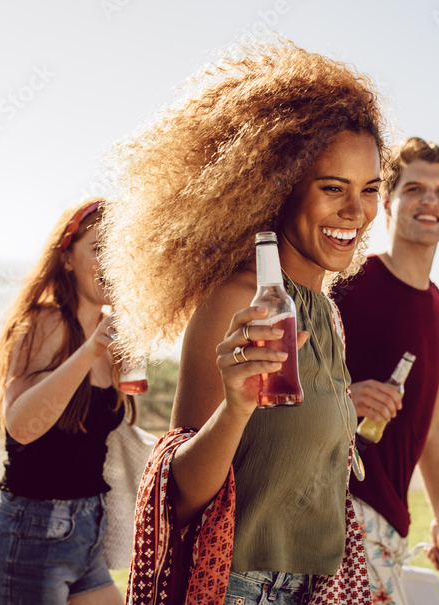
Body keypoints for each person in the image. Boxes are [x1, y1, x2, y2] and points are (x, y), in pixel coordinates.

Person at [99, 41, 387, 604]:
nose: (356, 212)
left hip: (317, 588)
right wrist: (235, 406)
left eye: (371, 190)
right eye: (334, 188)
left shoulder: (325, 311)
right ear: (278, 187)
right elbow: (178, 496)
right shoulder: (241, 297)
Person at [0, 198, 132, 604]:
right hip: (28, 540)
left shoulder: (111, 336)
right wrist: (91, 351)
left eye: (120, 250)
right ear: (67, 259)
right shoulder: (44, 323)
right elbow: (21, 426)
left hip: (86, 537)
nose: (110, 261)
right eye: (98, 249)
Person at [330, 137, 439, 604]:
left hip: (391, 520)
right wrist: (346, 398)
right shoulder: (346, 284)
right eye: (415, 189)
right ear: (387, 202)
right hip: (329, 506)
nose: (430, 201)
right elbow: (284, 384)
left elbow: (433, 426)